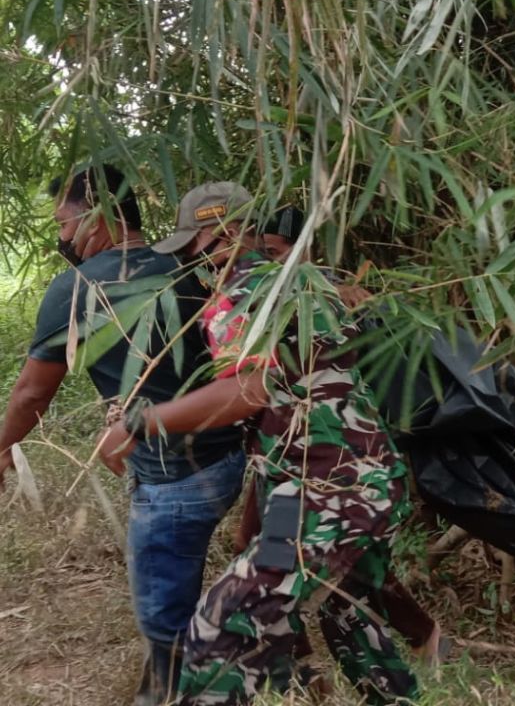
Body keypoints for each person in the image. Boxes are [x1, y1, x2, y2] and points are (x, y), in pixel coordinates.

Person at [94, 182, 416, 705]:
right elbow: (280, 418)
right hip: (348, 484)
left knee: (219, 628)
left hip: (330, 495)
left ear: (219, 237)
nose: (197, 265)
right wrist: (254, 527)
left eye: (196, 249)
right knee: (349, 614)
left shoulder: (244, 293)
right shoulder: (303, 284)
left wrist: (140, 423)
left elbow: (251, 391)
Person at [0, 167, 246, 706]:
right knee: (187, 589)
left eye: (65, 222)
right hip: (229, 458)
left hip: (172, 477)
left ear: (102, 216)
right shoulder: (184, 265)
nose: (62, 237)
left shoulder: (77, 287)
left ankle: (204, 692)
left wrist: (0, 448)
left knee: (163, 617)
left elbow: (31, 396)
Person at [240, 201, 444, 664]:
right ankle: (315, 666)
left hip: (324, 453)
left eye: (274, 252)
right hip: (286, 451)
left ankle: (327, 667)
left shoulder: (322, 298)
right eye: (261, 253)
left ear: (302, 251)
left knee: (315, 566)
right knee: (284, 557)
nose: (266, 263)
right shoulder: (279, 295)